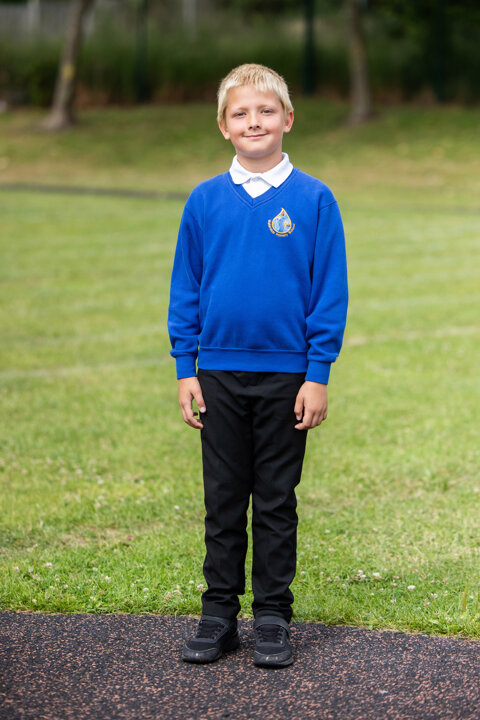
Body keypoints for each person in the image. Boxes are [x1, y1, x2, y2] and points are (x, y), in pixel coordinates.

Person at [167, 63, 348, 668]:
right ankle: (218, 614)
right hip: (217, 372)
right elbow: (186, 287)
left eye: (266, 111)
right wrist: (185, 366)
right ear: (223, 125)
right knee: (223, 500)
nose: (254, 122)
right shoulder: (204, 200)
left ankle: (272, 617)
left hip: (288, 376)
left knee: (274, 499)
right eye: (240, 113)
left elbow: (329, 293)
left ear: (288, 119)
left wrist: (318, 373)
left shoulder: (315, 199)